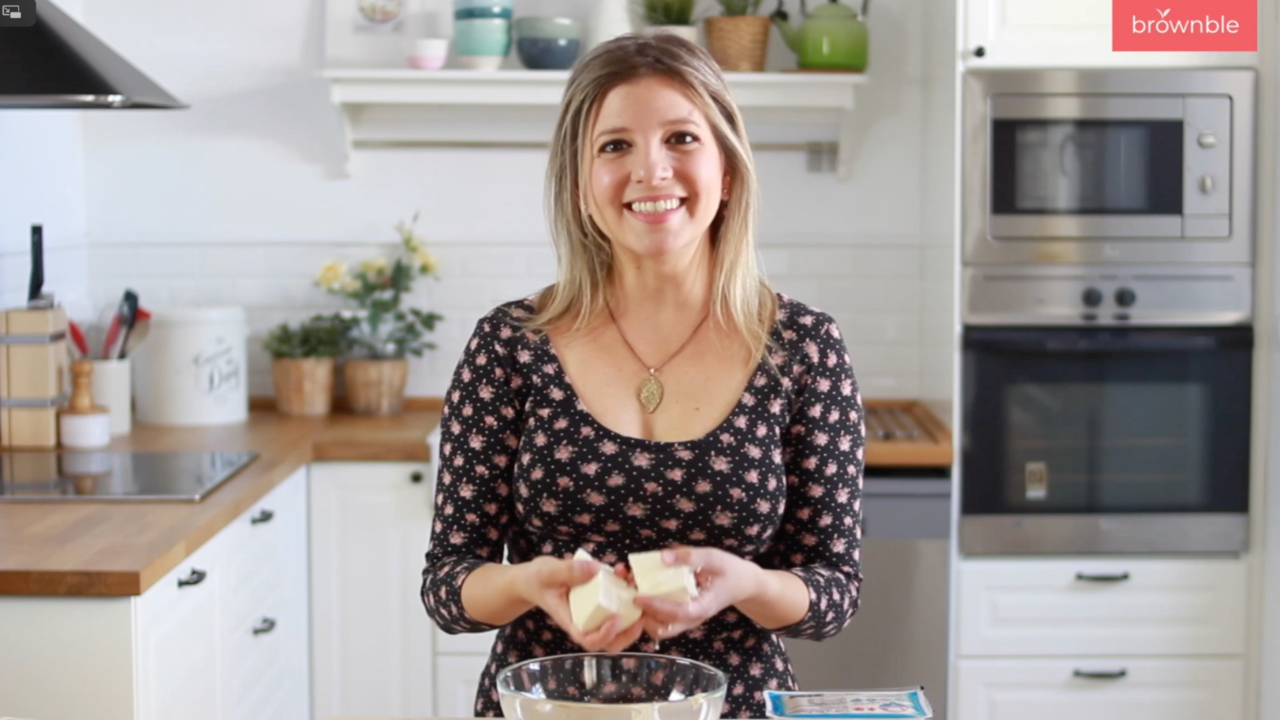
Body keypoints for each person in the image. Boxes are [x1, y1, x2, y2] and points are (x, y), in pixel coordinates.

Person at [420, 32, 864, 719]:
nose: (650, 171)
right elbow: (448, 587)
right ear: (580, 184)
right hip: (549, 709)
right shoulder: (510, 344)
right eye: (614, 146)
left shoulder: (803, 348)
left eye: (681, 139)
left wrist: (745, 583)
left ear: (728, 170)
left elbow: (833, 593)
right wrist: (530, 583)